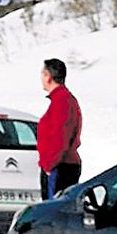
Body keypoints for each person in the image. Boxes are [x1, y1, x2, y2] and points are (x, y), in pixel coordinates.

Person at [37, 58, 83, 200]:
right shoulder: (62, 99)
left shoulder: (62, 101)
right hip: (60, 165)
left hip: (60, 166)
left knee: (53, 210)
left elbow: (60, 135)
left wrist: (50, 165)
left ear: (48, 76)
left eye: (42, 74)